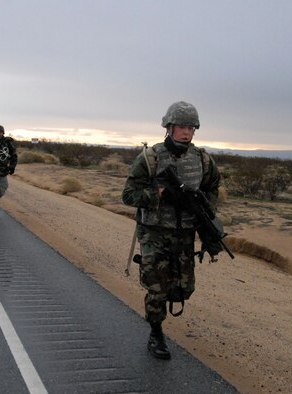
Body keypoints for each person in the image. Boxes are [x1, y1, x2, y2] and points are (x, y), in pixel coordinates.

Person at [122, 101, 221, 360]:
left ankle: (162, 318)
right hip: (154, 233)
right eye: (181, 127)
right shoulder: (150, 157)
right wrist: (160, 193)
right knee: (157, 286)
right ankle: (156, 333)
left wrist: (202, 206)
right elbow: (129, 195)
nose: (186, 132)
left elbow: (213, 188)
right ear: (169, 127)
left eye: (191, 127)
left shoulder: (202, 159)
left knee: (183, 287)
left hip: (185, 232)